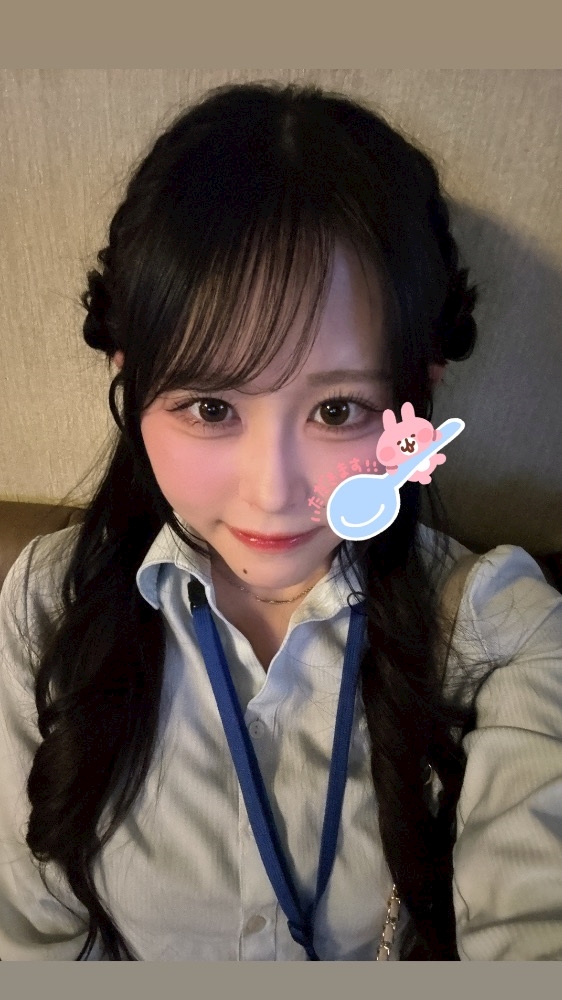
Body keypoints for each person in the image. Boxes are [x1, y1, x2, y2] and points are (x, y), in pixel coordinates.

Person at [0, 80, 561, 962]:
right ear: (129, 379)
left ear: (419, 397)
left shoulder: (499, 633)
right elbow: (29, 939)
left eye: (338, 411)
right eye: (211, 408)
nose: (271, 494)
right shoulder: (46, 605)